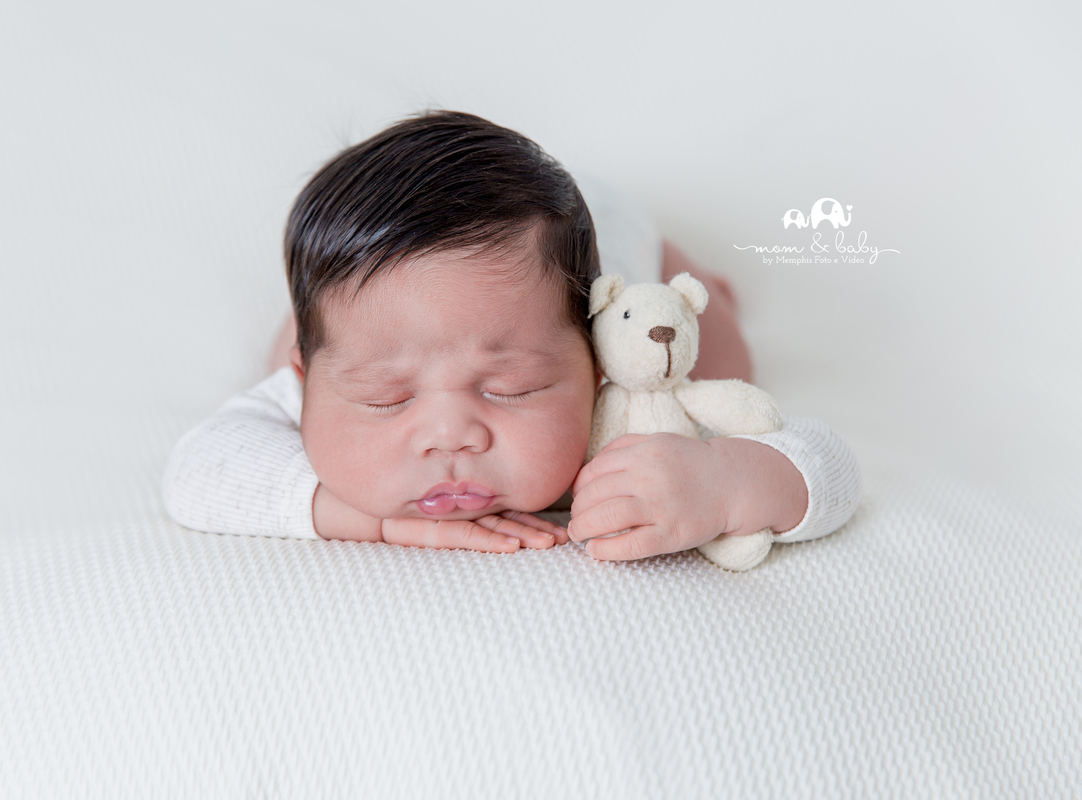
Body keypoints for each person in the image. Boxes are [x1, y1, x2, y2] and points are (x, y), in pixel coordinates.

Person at [163, 111, 861, 562]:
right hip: (433, 280)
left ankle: (691, 268)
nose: (449, 438)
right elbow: (197, 473)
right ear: (307, 379)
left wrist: (723, 479)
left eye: (510, 387)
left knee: (722, 354)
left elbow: (830, 466)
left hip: (615, 229)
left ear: (593, 359)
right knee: (339, 318)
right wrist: (368, 520)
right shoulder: (327, 367)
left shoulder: (625, 387)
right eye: (384, 398)